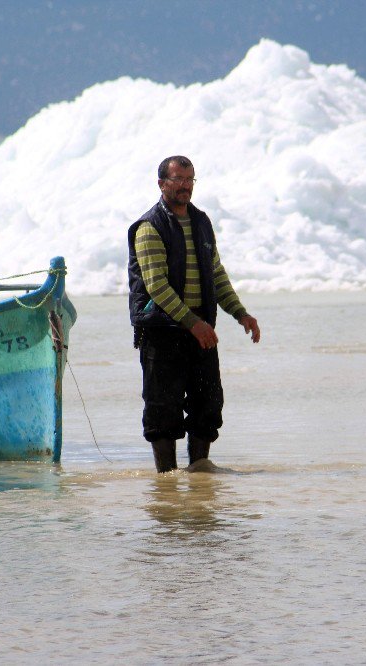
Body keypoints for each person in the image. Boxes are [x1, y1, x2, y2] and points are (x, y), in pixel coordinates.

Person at [127, 155, 260, 472]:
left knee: (209, 405)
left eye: (190, 180)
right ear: (162, 184)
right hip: (162, 331)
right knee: (163, 411)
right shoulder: (149, 227)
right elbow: (156, 286)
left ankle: (200, 476)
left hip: (200, 330)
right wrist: (192, 323)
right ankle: (168, 481)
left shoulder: (200, 222)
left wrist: (241, 314)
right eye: (178, 180)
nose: (185, 187)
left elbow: (216, 274)